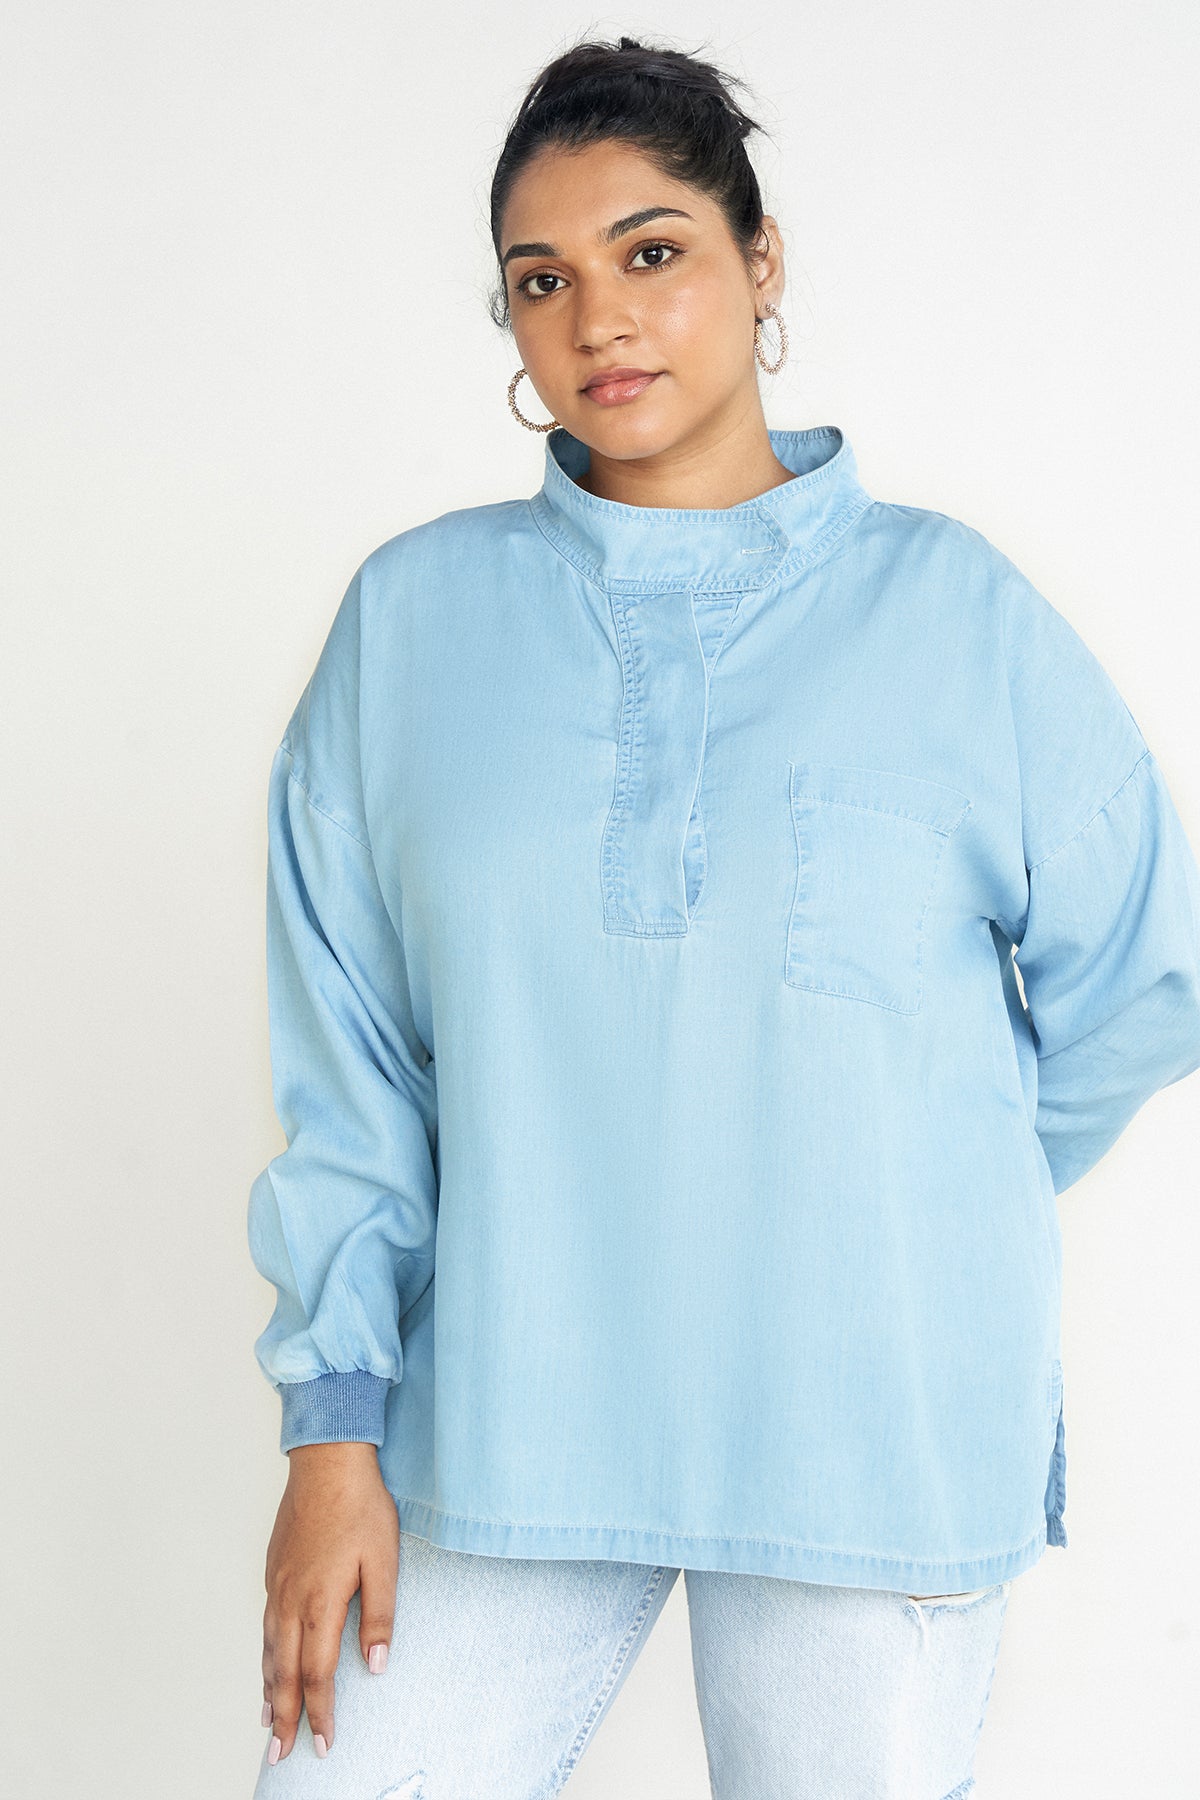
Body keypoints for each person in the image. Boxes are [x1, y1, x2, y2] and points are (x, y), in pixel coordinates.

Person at [246, 33, 1200, 1799]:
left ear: (763, 263)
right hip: (505, 1419)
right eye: (545, 279)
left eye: (653, 250)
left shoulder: (959, 618)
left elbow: (1148, 979)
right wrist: (331, 1438)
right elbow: (355, 1069)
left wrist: (905, 1179)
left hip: (869, 1432)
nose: (599, 317)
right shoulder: (411, 630)